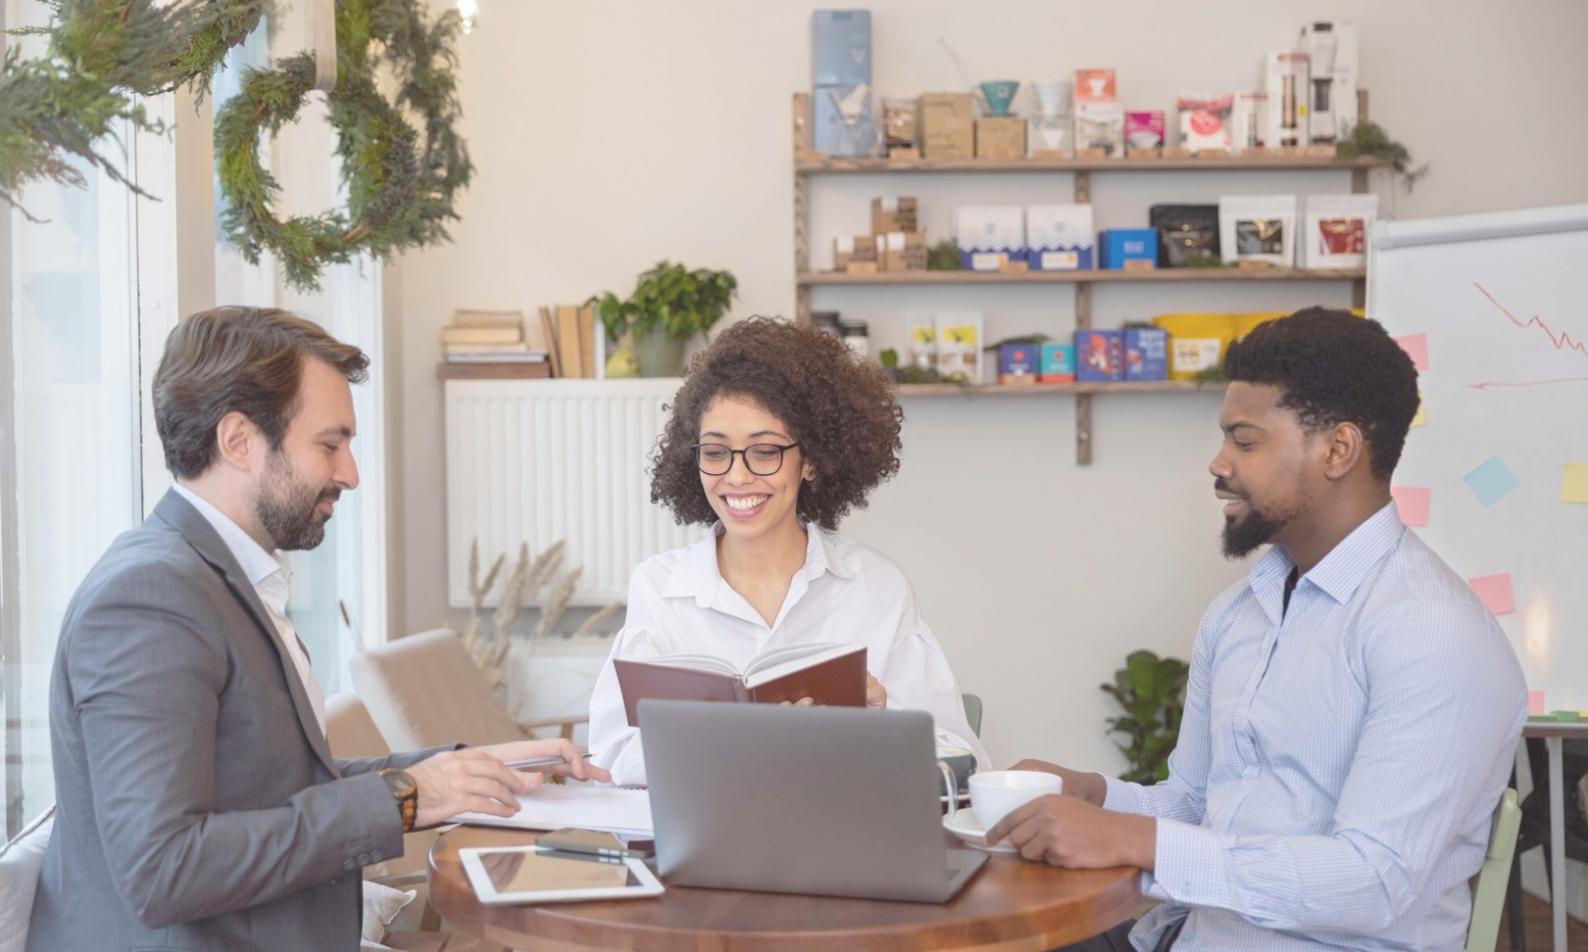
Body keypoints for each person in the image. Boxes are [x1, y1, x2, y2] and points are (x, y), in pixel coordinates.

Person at [28, 306, 607, 952]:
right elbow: (164, 868)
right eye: (329, 445)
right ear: (239, 440)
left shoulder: (218, 578)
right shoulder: (149, 599)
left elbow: (276, 780)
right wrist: (408, 796)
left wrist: (457, 770)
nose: (350, 474)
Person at [986, 308, 1526, 951]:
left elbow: (1374, 883)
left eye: (1244, 442)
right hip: (1192, 935)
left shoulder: (1433, 636)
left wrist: (1135, 840)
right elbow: (1194, 804)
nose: (1218, 464)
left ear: (1338, 449)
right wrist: (1094, 795)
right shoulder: (1240, 613)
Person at [587, 317, 987, 786]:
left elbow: (961, 764)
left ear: (812, 460)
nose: (736, 477)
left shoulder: (875, 586)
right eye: (716, 452)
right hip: (708, 844)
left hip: (842, 844)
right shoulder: (658, 588)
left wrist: (881, 716)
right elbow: (611, 760)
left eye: (765, 451)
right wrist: (726, 738)